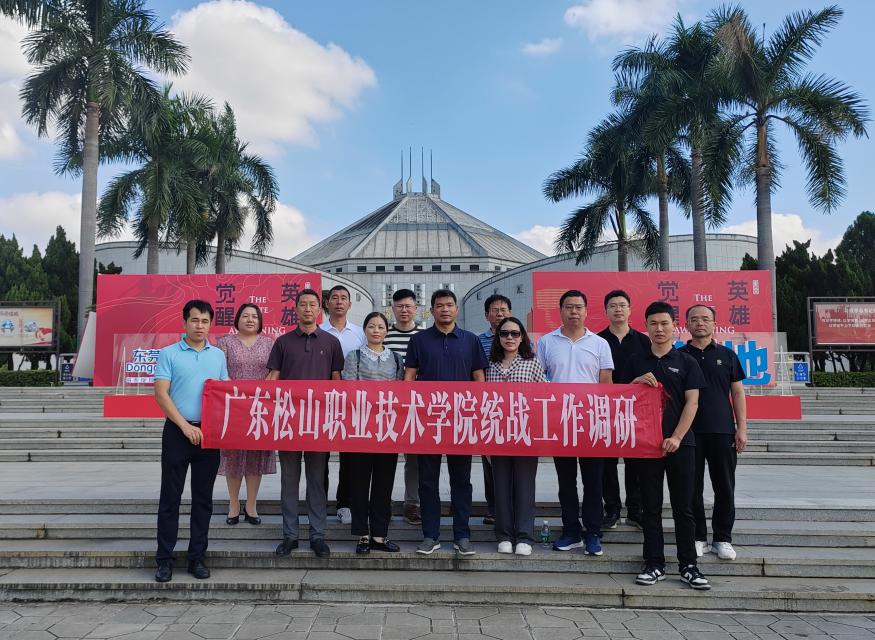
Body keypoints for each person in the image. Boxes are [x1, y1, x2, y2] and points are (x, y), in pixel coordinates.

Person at [628, 301, 711, 590]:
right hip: (646, 446)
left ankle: (689, 565)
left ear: (674, 326)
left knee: (683, 507)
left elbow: (693, 403)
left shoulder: (686, 361)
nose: (659, 329)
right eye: (653, 323)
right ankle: (654, 563)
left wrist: (676, 437)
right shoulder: (636, 361)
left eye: (664, 323)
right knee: (650, 508)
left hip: (681, 444)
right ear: (646, 327)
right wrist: (635, 382)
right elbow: (622, 399)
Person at [405, 288, 488, 556]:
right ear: (431, 310)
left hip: (461, 421)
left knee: (461, 481)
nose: (445, 309)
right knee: (427, 481)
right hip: (428, 421)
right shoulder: (419, 340)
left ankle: (462, 535)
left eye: (449, 305)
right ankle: (430, 535)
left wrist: (477, 411)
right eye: (439, 305)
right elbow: (409, 377)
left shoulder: (470, 340)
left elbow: (479, 378)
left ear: (456, 309)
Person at [153, 300, 228, 582]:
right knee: (170, 498)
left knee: (203, 499)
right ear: (184, 322)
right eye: (195, 320)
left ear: (210, 324)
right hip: (177, 432)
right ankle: (164, 560)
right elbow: (161, 394)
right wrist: (184, 426)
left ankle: (197, 558)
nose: (200, 326)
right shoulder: (169, 353)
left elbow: (223, 393)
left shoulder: (218, 356)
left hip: (208, 435)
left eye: (205, 321)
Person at [268, 288, 344, 559]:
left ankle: (317, 535)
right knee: (289, 480)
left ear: (320, 309)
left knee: (316, 481)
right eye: (303, 304)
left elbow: (337, 382)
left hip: (320, 423)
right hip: (288, 422)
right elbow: (273, 379)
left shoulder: (331, 342)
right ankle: (289, 535)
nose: (308, 309)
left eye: (313, 304)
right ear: (296, 309)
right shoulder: (283, 342)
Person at [536, 289, 613, 556]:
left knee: (593, 481)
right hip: (561, 421)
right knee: (566, 481)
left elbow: (606, 384)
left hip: (591, 421)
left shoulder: (599, 343)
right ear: (560, 311)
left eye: (578, 307)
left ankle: (593, 533)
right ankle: (571, 531)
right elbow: (539, 380)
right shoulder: (546, 342)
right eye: (569, 307)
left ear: (586, 311)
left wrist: (605, 419)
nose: (574, 312)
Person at [680, 304, 747, 561]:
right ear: (686, 324)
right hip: (689, 433)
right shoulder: (679, 356)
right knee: (691, 488)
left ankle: (722, 538)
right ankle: (698, 537)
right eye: (694, 319)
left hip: (722, 431)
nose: (700, 323)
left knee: (725, 486)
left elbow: (737, 392)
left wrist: (742, 428)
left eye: (705, 319)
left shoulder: (727, 355)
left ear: (714, 324)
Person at [342, 311, 405, 554]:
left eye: (380, 327)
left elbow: (400, 393)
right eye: (371, 326)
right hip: (360, 428)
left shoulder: (396, 358)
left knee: (384, 484)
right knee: (359, 483)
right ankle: (362, 535)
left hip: (387, 429)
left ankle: (380, 535)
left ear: (387, 331)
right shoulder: (354, 356)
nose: (376, 330)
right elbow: (349, 390)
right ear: (365, 330)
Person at [485, 316, 545, 556]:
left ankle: (524, 536)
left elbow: (543, 399)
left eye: (515, 333)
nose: (509, 337)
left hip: (526, 434)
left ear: (522, 337)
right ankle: (504, 535)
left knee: (524, 486)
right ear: (498, 337)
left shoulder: (533, 363)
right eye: (504, 333)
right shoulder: (489, 365)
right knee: (500, 487)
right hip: (497, 434)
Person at [216, 304, 276, 526]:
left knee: (255, 457)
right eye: (245, 316)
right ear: (237, 320)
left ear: (260, 321)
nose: (250, 320)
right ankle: (233, 504)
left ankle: (251, 505)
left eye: (254, 316)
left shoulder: (269, 343)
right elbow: (220, 372)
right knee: (233, 456)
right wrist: (238, 393)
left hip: (260, 407)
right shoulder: (225, 342)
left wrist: (259, 392)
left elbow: (275, 371)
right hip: (233, 407)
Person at [596, 290, 651, 530]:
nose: (618, 309)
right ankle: (612, 509)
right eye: (613, 305)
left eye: (622, 305)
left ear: (630, 310)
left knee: (635, 462)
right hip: (604, 410)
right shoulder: (597, 341)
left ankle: (635, 510)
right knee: (607, 463)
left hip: (635, 411)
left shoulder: (644, 341)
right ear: (606, 311)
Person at [319, 285, 366, 526]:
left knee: (350, 456)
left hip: (351, 404)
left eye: (343, 298)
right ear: (327, 303)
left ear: (350, 304)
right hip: (320, 403)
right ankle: (318, 503)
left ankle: (345, 503)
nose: (339, 302)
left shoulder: (360, 333)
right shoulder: (317, 330)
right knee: (320, 457)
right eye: (334, 298)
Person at [384, 288, 423, 526]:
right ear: (393, 309)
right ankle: (382, 501)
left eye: (408, 306)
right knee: (384, 457)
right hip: (386, 407)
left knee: (414, 459)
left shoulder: (424, 336)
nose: (404, 310)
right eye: (399, 306)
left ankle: (412, 503)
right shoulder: (383, 334)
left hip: (415, 407)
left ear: (416, 308)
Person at [476, 294, 511, 526]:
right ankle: (494, 508)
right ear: (486, 315)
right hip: (488, 409)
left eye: (503, 310)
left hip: (516, 409)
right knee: (490, 463)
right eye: (494, 310)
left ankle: (514, 506)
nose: (499, 314)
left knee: (515, 462)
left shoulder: (522, 339)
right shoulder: (478, 341)